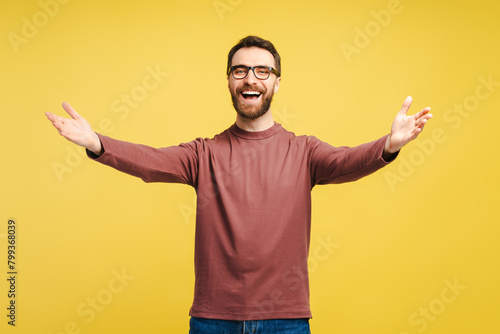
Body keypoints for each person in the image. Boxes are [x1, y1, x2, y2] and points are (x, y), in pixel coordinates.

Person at [45, 36, 432, 334]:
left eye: (263, 71)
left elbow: (348, 161)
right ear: (229, 81)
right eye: (240, 70)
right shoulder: (204, 154)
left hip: (286, 320)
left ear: (277, 84)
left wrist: (389, 144)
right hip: (214, 319)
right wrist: (97, 143)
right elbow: (151, 161)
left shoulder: (304, 152)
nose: (251, 78)